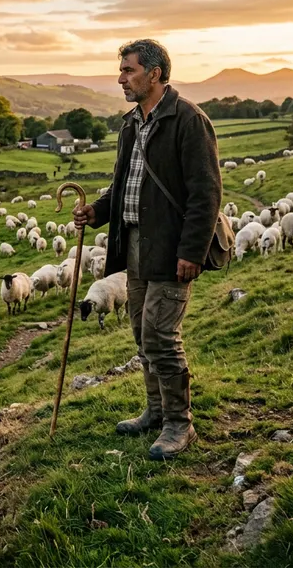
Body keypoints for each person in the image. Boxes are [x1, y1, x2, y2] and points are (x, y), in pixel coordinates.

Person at [73, 39, 221, 460]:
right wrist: (97, 212)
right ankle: (155, 412)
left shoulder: (188, 120)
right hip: (136, 245)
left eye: (129, 71)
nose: (121, 78)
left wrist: (192, 251)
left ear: (154, 74)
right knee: (142, 333)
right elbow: (123, 186)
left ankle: (180, 423)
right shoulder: (131, 123)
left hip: (174, 247)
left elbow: (205, 193)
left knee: (161, 335)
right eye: (121, 70)